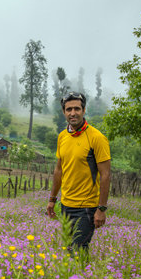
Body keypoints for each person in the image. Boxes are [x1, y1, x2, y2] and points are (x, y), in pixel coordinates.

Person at [46, 92, 111, 252]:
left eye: (77, 109)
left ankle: (83, 276)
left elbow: (106, 175)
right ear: (64, 112)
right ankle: (83, 276)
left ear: (83, 110)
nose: (73, 113)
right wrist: (52, 199)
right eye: (69, 109)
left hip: (87, 207)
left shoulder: (97, 138)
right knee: (72, 249)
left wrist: (101, 209)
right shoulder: (62, 136)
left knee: (76, 249)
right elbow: (59, 170)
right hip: (66, 205)